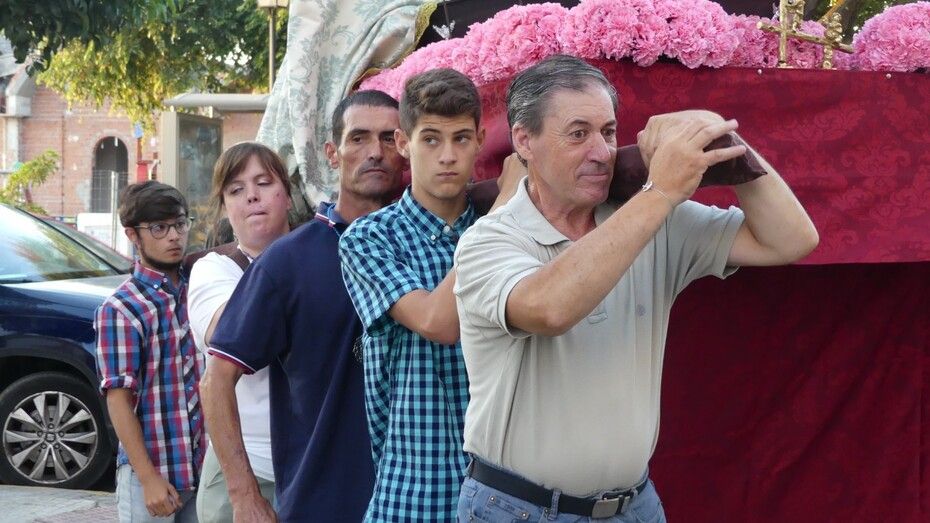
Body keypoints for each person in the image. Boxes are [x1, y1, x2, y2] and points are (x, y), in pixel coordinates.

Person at [453, 55, 819, 521]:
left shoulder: (652, 218)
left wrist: (720, 138)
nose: (602, 152)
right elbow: (549, 309)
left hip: (635, 506)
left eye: (608, 132)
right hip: (521, 510)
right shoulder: (488, 241)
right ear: (524, 140)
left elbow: (791, 240)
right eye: (578, 133)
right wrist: (661, 192)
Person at [198, 90, 407, 522]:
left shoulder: (428, 247)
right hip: (322, 502)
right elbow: (216, 379)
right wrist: (244, 495)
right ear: (332, 153)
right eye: (359, 138)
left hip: (417, 497)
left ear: (406, 147)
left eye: (389, 138)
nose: (375, 151)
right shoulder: (288, 262)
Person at [339, 68, 521, 522]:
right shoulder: (368, 238)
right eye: (431, 140)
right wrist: (502, 212)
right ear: (404, 143)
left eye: (461, 139)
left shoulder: (510, 228)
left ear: (480, 140)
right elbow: (437, 322)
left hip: (506, 498)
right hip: (413, 494)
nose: (448, 156)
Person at [188, 142, 292, 522]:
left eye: (264, 183)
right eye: (236, 190)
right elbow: (229, 332)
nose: (251, 196)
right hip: (247, 465)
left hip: (314, 465)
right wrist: (243, 495)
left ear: (288, 194)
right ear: (224, 208)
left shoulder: (322, 253)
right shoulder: (214, 268)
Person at [95, 181, 204, 522]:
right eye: (159, 228)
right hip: (153, 475)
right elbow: (118, 399)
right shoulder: (122, 308)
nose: (174, 236)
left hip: (206, 471)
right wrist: (148, 478)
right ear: (133, 235)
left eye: (180, 224)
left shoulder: (200, 289)